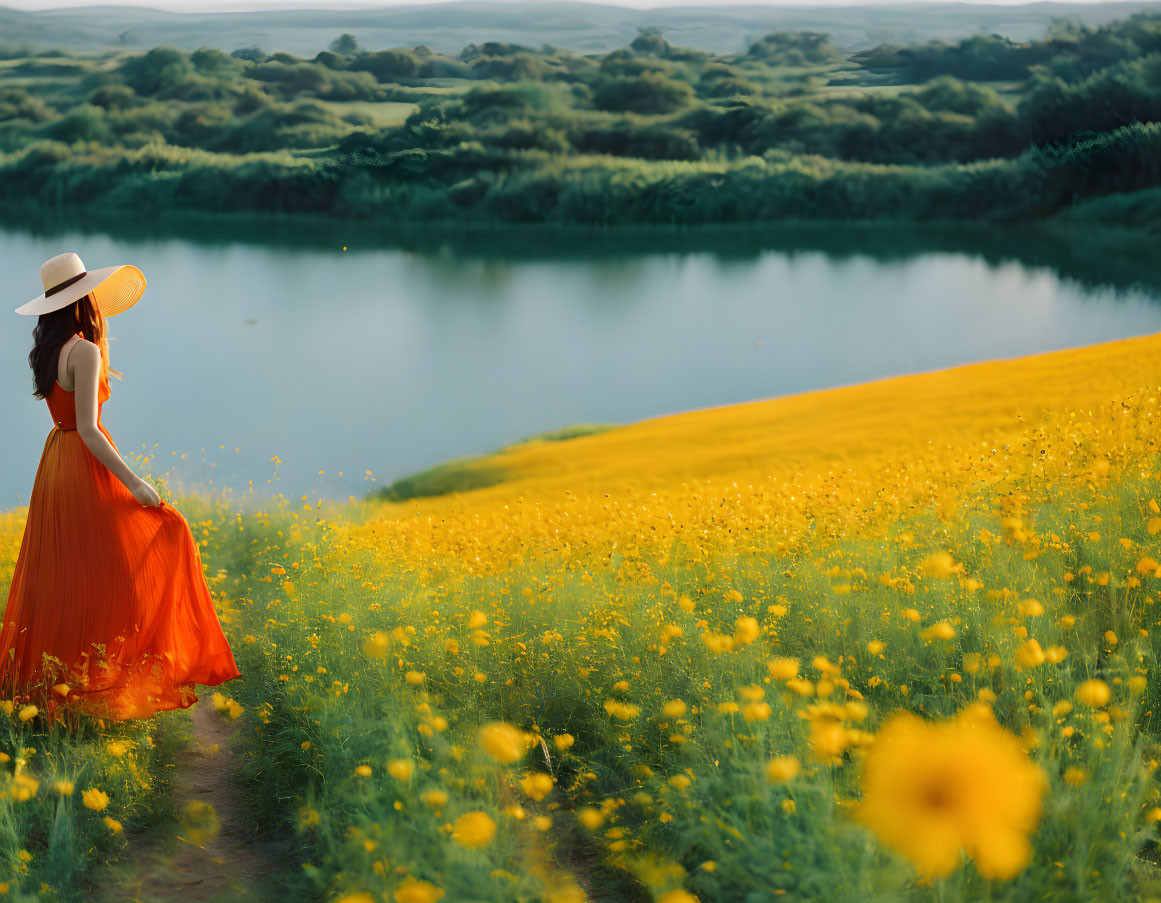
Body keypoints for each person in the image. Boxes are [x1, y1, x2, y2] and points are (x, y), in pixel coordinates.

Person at [1, 251, 241, 722]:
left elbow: (70, 423)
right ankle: (107, 682)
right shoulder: (86, 351)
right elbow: (89, 428)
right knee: (130, 560)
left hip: (55, 464)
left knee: (65, 577)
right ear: (83, 299)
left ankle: (55, 683)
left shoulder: (49, 350)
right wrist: (135, 484)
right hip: (84, 464)